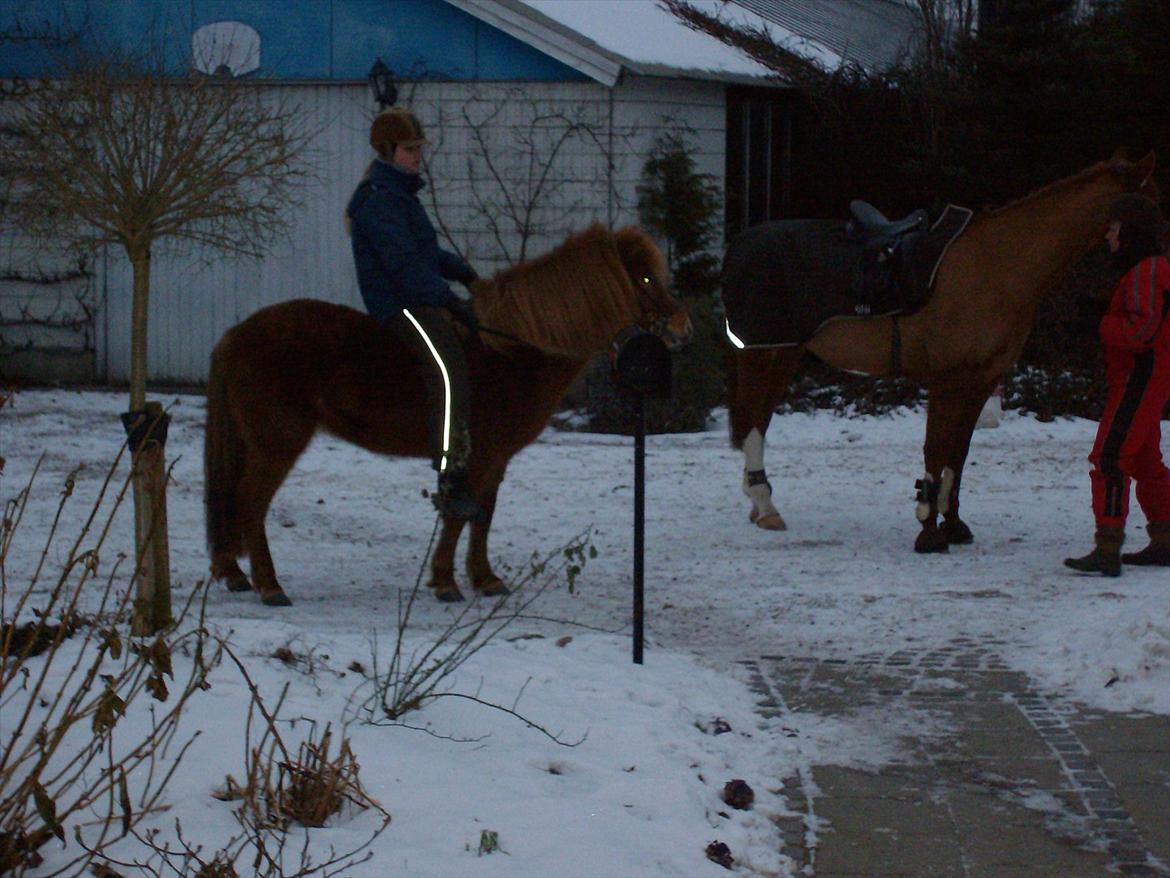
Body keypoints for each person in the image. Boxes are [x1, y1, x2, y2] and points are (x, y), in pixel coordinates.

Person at [346, 107, 485, 521]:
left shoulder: (401, 195)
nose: (417, 156)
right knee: (448, 370)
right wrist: (447, 299)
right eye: (410, 149)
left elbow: (426, 252)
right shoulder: (378, 200)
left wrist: (467, 275)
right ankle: (450, 476)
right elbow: (403, 264)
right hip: (398, 304)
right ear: (388, 151)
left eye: (418, 148)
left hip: (419, 294)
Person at [1065, 193, 1170, 575]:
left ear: (1130, 231)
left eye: (1112, 229)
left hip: (1139, 377)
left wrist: (1097, 325)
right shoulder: (1151, 268)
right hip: (1150, 376)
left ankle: (1107, 547)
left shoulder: (1145, 270)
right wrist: (1102, 313)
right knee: (1145, 460)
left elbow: (1141, 329)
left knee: (1110, 457)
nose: (1108, 237)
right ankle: (1164, 540)